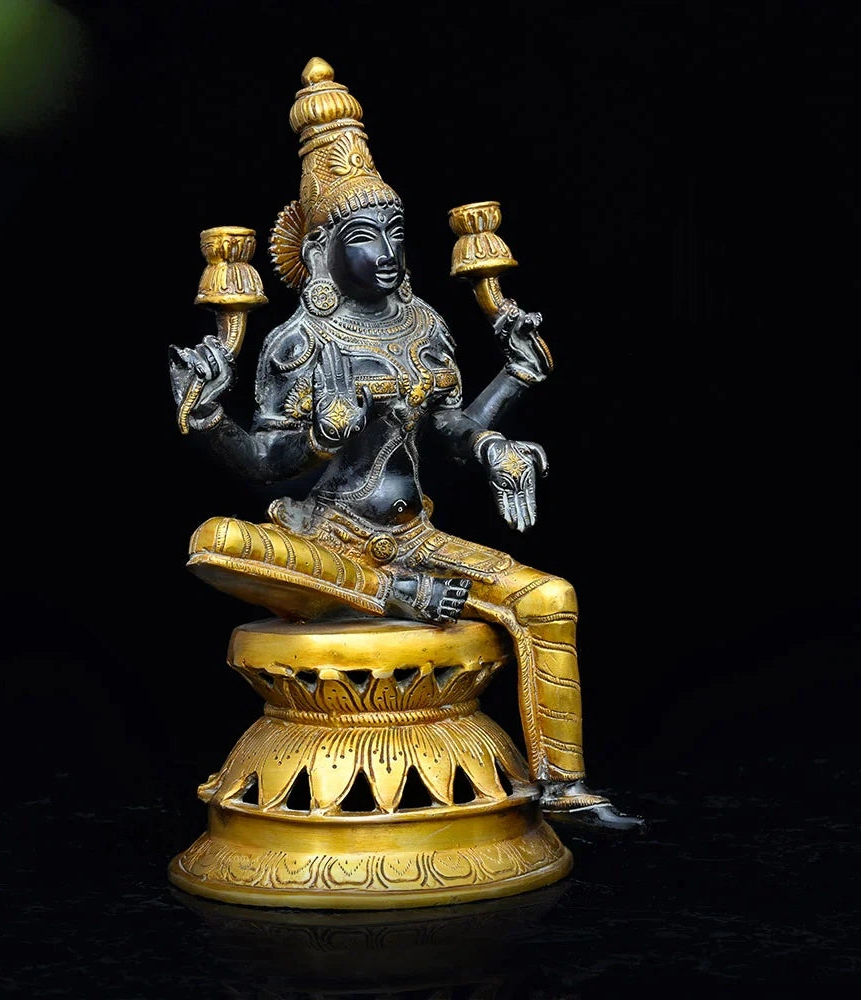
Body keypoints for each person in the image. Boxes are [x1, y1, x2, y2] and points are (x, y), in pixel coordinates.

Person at [169, 57, 641, 832]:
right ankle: (392, 598)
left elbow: (451, 429)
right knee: (216, 541)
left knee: (550, 599)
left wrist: (504, 416)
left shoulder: (422, 325)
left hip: (413, 536)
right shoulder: (299, 342)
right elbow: (265, 465)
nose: (388, 251)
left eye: (394, 232)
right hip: (328, 540)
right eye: (364, 237)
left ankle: (564, 787)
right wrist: (303, 432)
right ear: (320, 249)